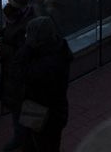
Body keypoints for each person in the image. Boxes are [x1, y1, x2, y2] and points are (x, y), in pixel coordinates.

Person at [15, 16, 73, 152]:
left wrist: (27, 46)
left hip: (42, 116)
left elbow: (19, 71)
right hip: (54, 113)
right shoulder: (58, 49)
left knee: (41, 145)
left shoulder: (45, 65)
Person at [0, 0, 34, 151]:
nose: (7, 3)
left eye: (10, 1)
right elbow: (12, 33)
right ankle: (23, 140)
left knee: (20, 112)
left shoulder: (26, 23)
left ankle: (23, 141)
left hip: (19, 79)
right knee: (19, 113)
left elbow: (21, 54)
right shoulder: (19, 16)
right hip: (13, 77)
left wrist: (0, 47)